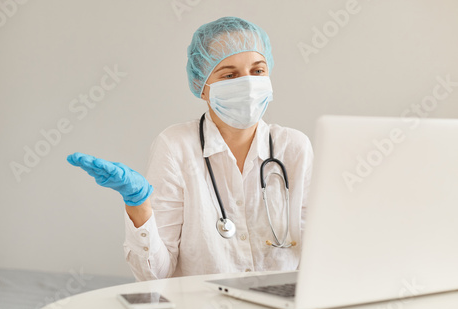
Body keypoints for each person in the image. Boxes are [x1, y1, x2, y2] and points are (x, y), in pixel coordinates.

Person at [67, 17, 313, 281]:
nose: (248, 84)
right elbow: (155, 275)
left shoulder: (294, 148)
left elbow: (319, 251)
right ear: (203, 87)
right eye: (229, 75)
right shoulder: (175, 147)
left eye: (258, 71)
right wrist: (139, 206)